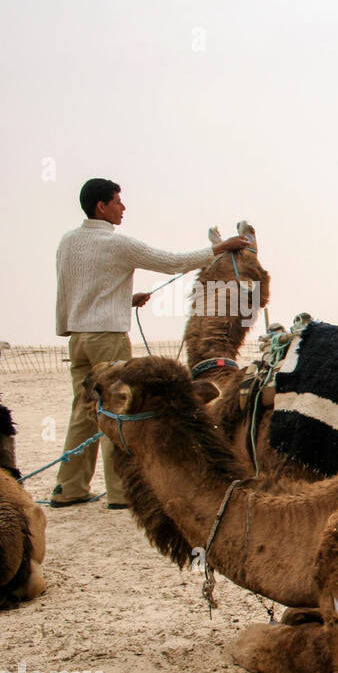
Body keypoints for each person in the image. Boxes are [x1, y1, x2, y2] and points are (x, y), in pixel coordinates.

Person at [50, 178, 250, 508]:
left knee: (83, 411)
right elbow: (171, 261)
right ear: (101, 207)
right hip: (108, 340)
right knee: (118, 411)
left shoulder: (67, 242)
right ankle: (120, 493)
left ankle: (69, 488)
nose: (123, 207)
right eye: (117, 201)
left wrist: (122, 302)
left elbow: (73, 289)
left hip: (79, 338)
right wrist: (219, 248)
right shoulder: (116, 244)